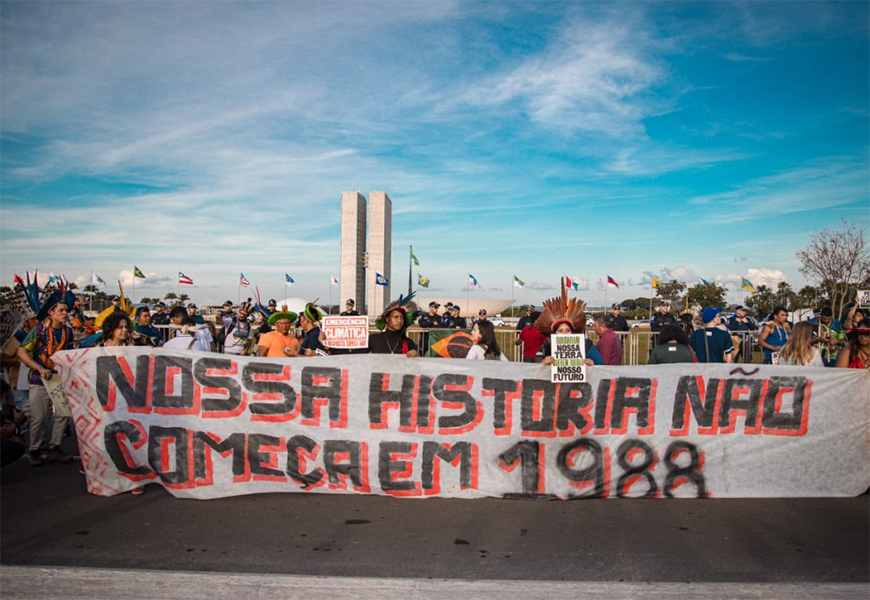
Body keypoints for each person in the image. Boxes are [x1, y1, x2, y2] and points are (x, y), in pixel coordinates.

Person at [15, 287, 78, 466]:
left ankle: (54, 448)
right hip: (39, 379)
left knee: (63, 414)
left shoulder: (68, 332)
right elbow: (21, 352)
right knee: (39, 417)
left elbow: (69, 354)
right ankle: (34, 449)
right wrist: (39, 368)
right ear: (51, 312)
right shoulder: (39, 330)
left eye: (66, 310)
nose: (65, 314)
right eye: (61, 310)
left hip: (59, 379)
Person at [537, 282, 602, 367]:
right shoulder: (546, 347)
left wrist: (592, 364)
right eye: (560, 331)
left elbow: (602, 367)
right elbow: (534, 370)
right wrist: (543, 362)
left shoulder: (587, 346)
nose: (564, 334)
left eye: (568, 330)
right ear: (554, 333)